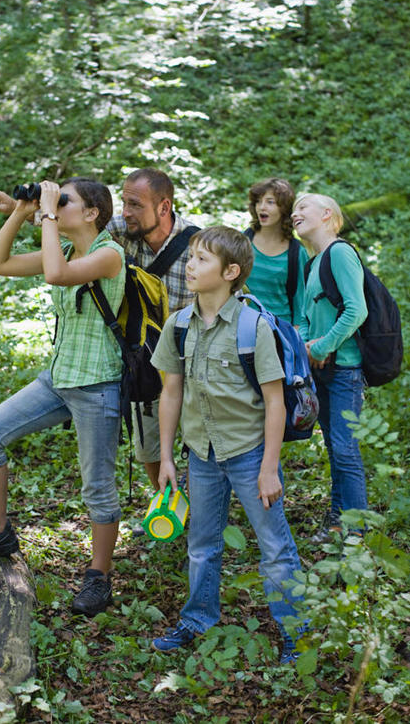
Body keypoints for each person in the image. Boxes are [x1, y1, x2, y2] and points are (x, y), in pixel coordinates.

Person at [0, 178, 126, 617]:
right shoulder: (64, 249)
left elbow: (55, 276)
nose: (56, 205)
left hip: (97, 385)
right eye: (56, 197)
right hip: (58, 379)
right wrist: (21, 211)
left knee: (97, 488)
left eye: (65, 200)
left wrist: (44, 213)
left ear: (91, 213)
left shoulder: (109, 255)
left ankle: (99, 577)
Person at [0, 168, 198, 492]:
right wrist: (21, 208)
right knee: (148, 444)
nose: (125, 213)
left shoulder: (196, 244)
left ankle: (205, 505)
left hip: (188, 350)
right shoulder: (124, 229)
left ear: (164, 208)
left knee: (199, 437)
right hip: (146, 355)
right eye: (123, 203)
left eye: (135, 205)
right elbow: (78, 224)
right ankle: (166, 502)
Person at [149, 225, 304, 662]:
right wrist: (165, 457)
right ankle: (198, 619)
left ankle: (296, 631)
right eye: (191, 257)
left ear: (231, 271)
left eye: (201, 259)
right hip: (201, 455)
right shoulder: (178, 324)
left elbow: (275, 403)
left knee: (274, 547)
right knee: (201, 545)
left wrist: (269, 468)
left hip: (250, 454)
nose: (189, 265)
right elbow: (171, 393)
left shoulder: (254, 326)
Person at [292, 193, 368, 543]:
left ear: (327, 215)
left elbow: (356, 310)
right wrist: (308, 346)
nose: (295, 214)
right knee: (336, 449)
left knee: (345, 448)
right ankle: (338, 522)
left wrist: (322, 346)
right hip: (321, 369)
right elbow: (307, 317)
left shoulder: (340, 253)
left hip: (345, 371)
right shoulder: (313, 262)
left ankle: (356, 532)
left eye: (302, 207)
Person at [245, 178, 308, 326]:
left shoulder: (297, 253)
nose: (261, 207)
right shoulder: (243, 241)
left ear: (284, 208)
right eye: (258, 202)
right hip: (241, 330)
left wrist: (294, 340)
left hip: (279, 333)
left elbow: (302, 305)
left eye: (270, 202)